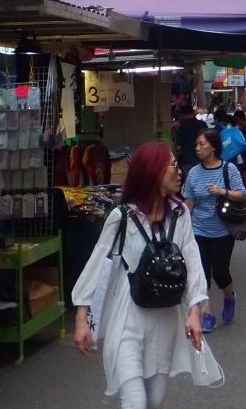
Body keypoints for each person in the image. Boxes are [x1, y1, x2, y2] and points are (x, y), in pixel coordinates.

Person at [72, 142, 207, 409]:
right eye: (173, 165)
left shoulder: (180, 214)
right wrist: (81, 318)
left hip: (165, 319)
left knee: (155, 400)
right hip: (127, 319)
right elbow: (97, 264)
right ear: (153, 171)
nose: (179, 171)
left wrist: (194, 312)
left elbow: (192, 263)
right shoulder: (122, 217)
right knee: (135, 401)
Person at [181, 129, 246, 333]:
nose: (197, 148)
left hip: (223, 230)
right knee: (201, 272)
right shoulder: (193, 173)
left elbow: (242, 194)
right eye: (196, 144)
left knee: (220, 271)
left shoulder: (229, 169)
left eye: (202, 144)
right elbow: (189, 201)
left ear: (214, 147)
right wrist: (181, 224)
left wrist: (222, 191)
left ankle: (229, 297)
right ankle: (207, 314)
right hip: (198, 229)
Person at [173, 104, 205, 175]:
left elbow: (178, 147)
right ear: (193, 112)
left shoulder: (182, 126)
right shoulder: (202, 124)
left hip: (187, 160)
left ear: (182, 114)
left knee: (189, 179)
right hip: (202, 159)